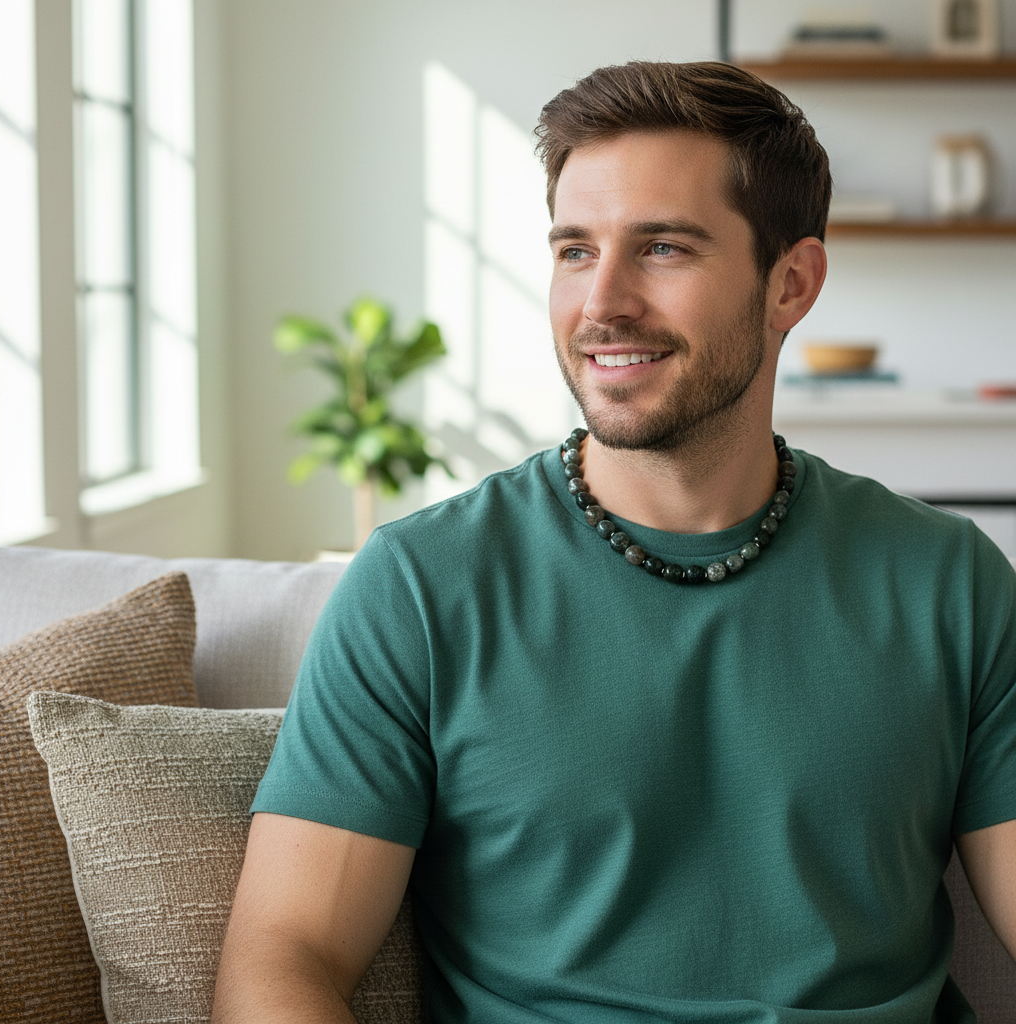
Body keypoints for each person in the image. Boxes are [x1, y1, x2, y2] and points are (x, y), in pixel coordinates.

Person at [212, 61, 1016, 1023]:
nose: (603, 303)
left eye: (663, 248)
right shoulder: (421, 587)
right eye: (575, 251)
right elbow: (282, 959)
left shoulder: (950, 583)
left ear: (791, 283)